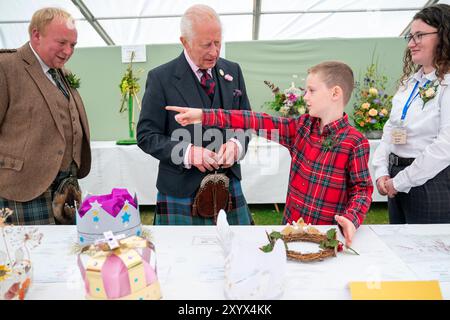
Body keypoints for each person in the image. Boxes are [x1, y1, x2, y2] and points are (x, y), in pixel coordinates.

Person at [167, 61, 373, 247]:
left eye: (311, 90)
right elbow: (256, 120)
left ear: (335, 93)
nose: (305, 96)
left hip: (326, 238)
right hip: (290, 233)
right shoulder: (300, 128)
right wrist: (204, 115)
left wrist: (351, 218)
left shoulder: (355, 142)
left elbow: (362, 190)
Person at [136, 4, 253, 225]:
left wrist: (237, 145)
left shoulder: (233, 71)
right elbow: (146, 136)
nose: (214, 52)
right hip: (180, 190)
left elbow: (246, 123)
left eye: (218, 42)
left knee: (238, 255)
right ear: (185, 42)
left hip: (229, 186)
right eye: (206, 45)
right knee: (178, 258)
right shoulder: (161, 78)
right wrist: (187, 153)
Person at [0, 7, 91, 225]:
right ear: (36, 35)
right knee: (30, 255)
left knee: (66, 253)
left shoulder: (62, 72)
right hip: (22, 188)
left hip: (66, 188)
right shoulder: (6, 67)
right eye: (62, 43)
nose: (68, 51)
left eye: (73, 45)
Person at [372, 4, 450, 224]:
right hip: (396, 178)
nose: (411, 43)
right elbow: (391, 128)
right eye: (410, 36)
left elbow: (445, 147)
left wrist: (401, 181)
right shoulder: (409, 83)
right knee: (398, 251)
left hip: (431, 181)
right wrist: (381, 171)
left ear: (444, 36)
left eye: (419, 35)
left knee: (428, 255)